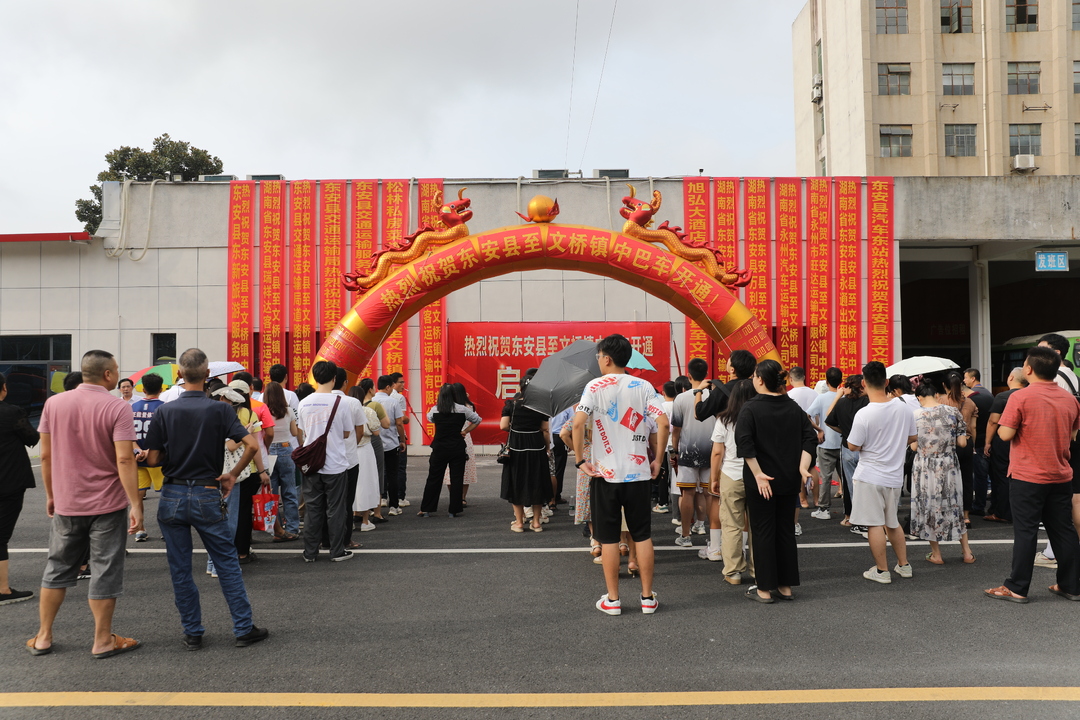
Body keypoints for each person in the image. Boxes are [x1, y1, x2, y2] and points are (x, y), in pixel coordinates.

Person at [144, 347, 268, 649]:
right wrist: (232, 474)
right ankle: (242, 628)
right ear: (208, 374)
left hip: (172, 493)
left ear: (180, 375)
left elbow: (153, 459)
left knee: (180, 567)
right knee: (226, 562)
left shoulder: (165, 411)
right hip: (207, 491)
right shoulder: (221, 410)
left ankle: (193, 631)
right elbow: (251, 445)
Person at [29, 350, 142, 658]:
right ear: (107, 375)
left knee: (57, 567)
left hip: (67, 501)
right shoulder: (117, 407)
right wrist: (136, 503)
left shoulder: (54, 403)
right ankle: (102, 639)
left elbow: (46, 455)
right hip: (108, 503)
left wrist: (52, 495)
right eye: (116, 369)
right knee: (105, 569)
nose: (118, 374)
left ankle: (43, 636)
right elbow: (123, 458)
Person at [573, 334, 668, 615]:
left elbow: (577, 424)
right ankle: (647, 598)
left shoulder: (594, 386)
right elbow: (662, 424)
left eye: (599, 357)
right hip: (638, 473)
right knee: (642, 536)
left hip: (605, 475)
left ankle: (613, 600)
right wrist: (658, 461)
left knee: (609, 539)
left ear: (607, 358)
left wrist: (580, 461)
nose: (598, 361)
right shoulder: (644, 386)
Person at [985, 347, 1080, 603]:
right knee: (1063, 530)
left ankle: (1017, 587)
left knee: (1026, 531)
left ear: (1028, 369)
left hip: (1028, 476)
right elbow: (1072, 436)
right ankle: (1071, 585)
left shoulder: (1020, 397)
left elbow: (1004, 434)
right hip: (1061, 474)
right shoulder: (1070, 399)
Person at [736, 360, 816, 603]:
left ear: (760, 380)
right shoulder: (793, 408)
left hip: (761, 482)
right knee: (785, 532)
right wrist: (803, 467)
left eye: (754, 376)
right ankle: (785, 586)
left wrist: (758, 473)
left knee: (762, 533)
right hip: (788, 479)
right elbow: (810, 438)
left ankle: (764, 589)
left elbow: (745, 443)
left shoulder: (750, 408)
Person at [846, 361, 917, 585]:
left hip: (870, 476)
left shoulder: (864, 414)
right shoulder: (903, 407)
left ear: (864, 384)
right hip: (893, 477)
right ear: (886, 382)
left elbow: (853, 446)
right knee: (891, 522)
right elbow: (912, 437)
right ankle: (904, 565)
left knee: (874, 524)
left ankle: (882, 570)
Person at [910, 377, 975, 565]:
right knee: (954, 505)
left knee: (930, 507)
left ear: (919, 398)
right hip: (949, 466)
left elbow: (914, 447)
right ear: (937, 395)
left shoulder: (915, 415)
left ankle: (937, 554)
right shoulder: (952, 411)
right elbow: (962, 442)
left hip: (925, 467)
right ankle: (967, 552)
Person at [297, 361, 354, 563]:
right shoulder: (342, 403)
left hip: (312, 464)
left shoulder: (303, 403)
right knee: (336, 509)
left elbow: (302, 432)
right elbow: (347, 433)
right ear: (334, 379)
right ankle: (337, 551)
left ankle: (310, 553)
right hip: (335, 463)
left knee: (312, 509)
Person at [709, 379, 757, 583]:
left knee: (731, 524)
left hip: (731, 474)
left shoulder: (724, 419)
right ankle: (759, 570)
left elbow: (718, 451)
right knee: (757, 525)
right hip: (757, 475)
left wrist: (714, 478)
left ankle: (734, 571)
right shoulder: (759, 416)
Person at [0, 371, 40, 605]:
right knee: (1, 535)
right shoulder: (12, 412)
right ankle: (3, 589)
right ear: (4, 388)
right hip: (9, 480)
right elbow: (32, 438)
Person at [672, 358, 716, 549]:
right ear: (705, 374)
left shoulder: (681, 398)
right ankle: (712, 536)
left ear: (689, 376)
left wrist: (674, 451)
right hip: (712, 450)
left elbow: (676, 430)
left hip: (688, 451)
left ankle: (685, 535)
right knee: (710, 494)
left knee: (687, 493)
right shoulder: (714, 396)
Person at [419, 384, 481, 517]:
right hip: (457, 447)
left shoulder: (435, 409)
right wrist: (465, 431)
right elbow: (477, 420)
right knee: (456, 478)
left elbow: (429, 418)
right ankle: (454, 509)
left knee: (433, 478)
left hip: (439, 448)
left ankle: (427, 509)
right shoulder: (462, 409)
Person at [500, 376, 552, 532]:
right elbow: (544, 428)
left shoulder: (511, 404)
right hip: (536, 448)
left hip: (516, 448)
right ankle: (536, 523)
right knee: (537, 482)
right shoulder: (540, 406)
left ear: (520, 387)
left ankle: (519, 523)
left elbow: (503, 425)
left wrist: (517, 430)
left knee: (516, 483)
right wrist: (547, 448)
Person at [983, 367, 1028, 524]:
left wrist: (987, 442)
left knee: (1002, 476)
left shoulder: (1002, 396)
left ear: (1010, 378)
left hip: (1004, 441)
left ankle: (1002, 512)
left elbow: (993, 421)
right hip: (1025, 441)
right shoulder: (1029, 395)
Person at [825, 374, 869, 529]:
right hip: (867, 448)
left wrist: (844, 430)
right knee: (868, 483)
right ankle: (868, 519)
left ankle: (852, 518)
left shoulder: (842, 403)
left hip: (847, 446)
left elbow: (829, 420)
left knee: (851, 485)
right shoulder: (869, 402)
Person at [331, 367, 365, 550]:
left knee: (328, 501)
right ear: (345, 383)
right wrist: (351, 444)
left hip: (327, 460)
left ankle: (327, 539)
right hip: (349, 459)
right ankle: (345, 540)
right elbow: (360, 430)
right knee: (347, 501)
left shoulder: (313, 401)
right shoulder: (352, 402)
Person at [263, 382, 300, 541]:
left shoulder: (262, 411)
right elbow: (294, 432)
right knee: (290, 491)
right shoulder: (289, 411)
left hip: (269, 451)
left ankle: (275, 530)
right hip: (286, 450)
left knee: (272, 494)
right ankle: (292, 528)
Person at [130, 373, 165, 542]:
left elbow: (127, 435)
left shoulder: (132, 407)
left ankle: (140, 528)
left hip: (137, 459)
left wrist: (138, 451)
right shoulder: (165, 408)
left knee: (137, 496)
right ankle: (166, 529)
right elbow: (165, 435)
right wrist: (150, 450)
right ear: (161, 389)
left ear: (142, 389)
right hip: (158, 459)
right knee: (165, 494)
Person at [940, 371, 977, 526]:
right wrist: (972, 446)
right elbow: (973, 426)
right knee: (967, 480)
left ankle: (948, 513)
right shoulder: (970, 403)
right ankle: (966, 515)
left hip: (947, 445)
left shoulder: (940, 401)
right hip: (966, 444)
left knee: (946, 480)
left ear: (944, 385)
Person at [808, 367, 843, 520]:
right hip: (844, 444)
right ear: (841, 381)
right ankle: (851, 510)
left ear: (827, 381)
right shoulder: (844, 397)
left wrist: (819, 429)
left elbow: (807, 415)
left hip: (826, 443)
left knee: (826, 478)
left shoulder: (821, 398)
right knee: (847, 479)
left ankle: (824, 509)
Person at [349, 385, 382, 531]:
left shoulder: (344, 410)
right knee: (367, 482)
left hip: (349, 450)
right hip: (365, 450)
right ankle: (365, 521)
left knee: (350, 484)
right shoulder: (368, 411)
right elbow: (376, 432)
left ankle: (349, 519)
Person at [358, 378, 389, 523]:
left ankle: (358, 510)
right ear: (370, 389)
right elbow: (386, 424)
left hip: (355, 444)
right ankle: (377, 511)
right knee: (377, 475)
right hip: (373, 442)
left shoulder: (354, 404)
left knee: (360, 476)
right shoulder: (375, 405)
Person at [964, 368, 994, 516]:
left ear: (973, 378)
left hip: (979, 441)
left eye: (966, 378)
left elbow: (973, 424)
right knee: (990, 475)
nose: (964, 381)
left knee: (980, 477)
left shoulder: (973, 399)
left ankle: (979, 505)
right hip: (989, 439)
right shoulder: (988, 394)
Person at [442, 383, 479, 506]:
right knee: (465, 469)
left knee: (450, 469)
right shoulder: (468, 406)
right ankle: (462, 498)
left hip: (449, 437)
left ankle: (455, 496)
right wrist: (465, 431)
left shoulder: (447, 406)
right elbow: (476, 420)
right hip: (465, 437)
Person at [373, 376, 405, 516]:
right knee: (393, 474)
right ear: (387, 387)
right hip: (391, 443)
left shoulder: (371, 401)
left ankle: (378, 503)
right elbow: (399, 423)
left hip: (374, 444)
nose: (392, 389)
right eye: (391, 387)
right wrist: (402, 440)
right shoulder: (393, 401)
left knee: (375, 475)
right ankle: (394, 506)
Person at [694, 349, 755, 421]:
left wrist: (699, 390)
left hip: (728, 430)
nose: (727, 361)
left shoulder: (720, 391)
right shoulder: (758, 388)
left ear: (732, 369)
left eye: (729, 360)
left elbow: (698, 414)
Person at [389, 372, 410, 506]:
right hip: (396, 436)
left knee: (386, 469)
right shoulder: (398, 398)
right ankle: (400, 497)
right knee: (400, 468)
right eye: (400, 382)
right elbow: (401, 420)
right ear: (393, 384)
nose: (403, 385)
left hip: (384, 437)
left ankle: (384, 497)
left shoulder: (377, 398)